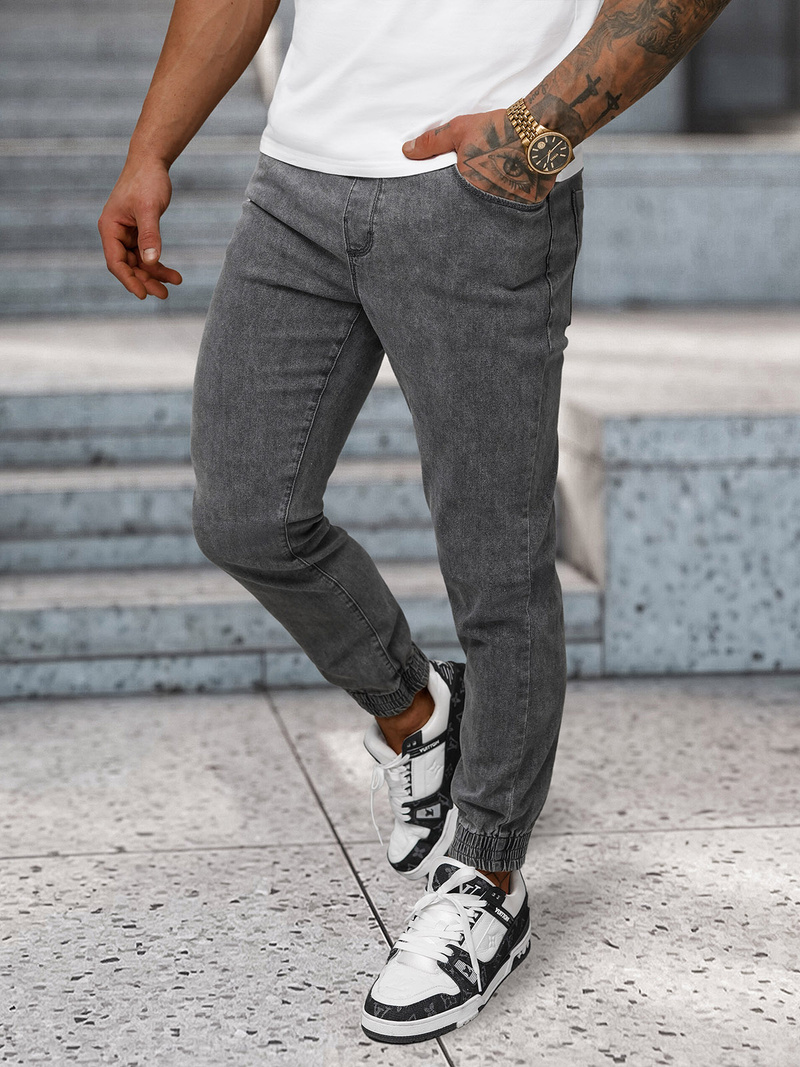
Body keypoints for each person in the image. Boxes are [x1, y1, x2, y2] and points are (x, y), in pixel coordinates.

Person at [99, 0, 733, 1044]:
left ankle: (487, 875)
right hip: (297, 184)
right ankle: (419, 710)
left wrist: (539, 132)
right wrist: (150, 149)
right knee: (246, 513)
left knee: (496, 562)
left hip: (479, 191)